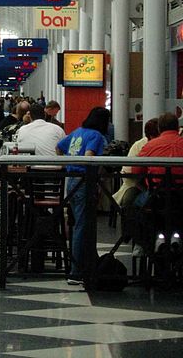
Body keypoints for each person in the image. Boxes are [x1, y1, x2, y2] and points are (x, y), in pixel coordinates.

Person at [56, 106, 110, 285]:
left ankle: (85, 263)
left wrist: (68, 164)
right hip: (83, 182)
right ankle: (76, 271)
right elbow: (89, 156)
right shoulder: (96, 136)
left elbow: (59, 148)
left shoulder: (78, 131)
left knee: (80, 224)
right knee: (82, 225)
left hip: (71, 181)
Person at [113, 118, 159, 207]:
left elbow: (131, 170)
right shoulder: (139, 145)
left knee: (129, 200)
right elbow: (129, 171)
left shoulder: (143, 145)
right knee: (128, 199)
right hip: (138, 185)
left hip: (152, 187)